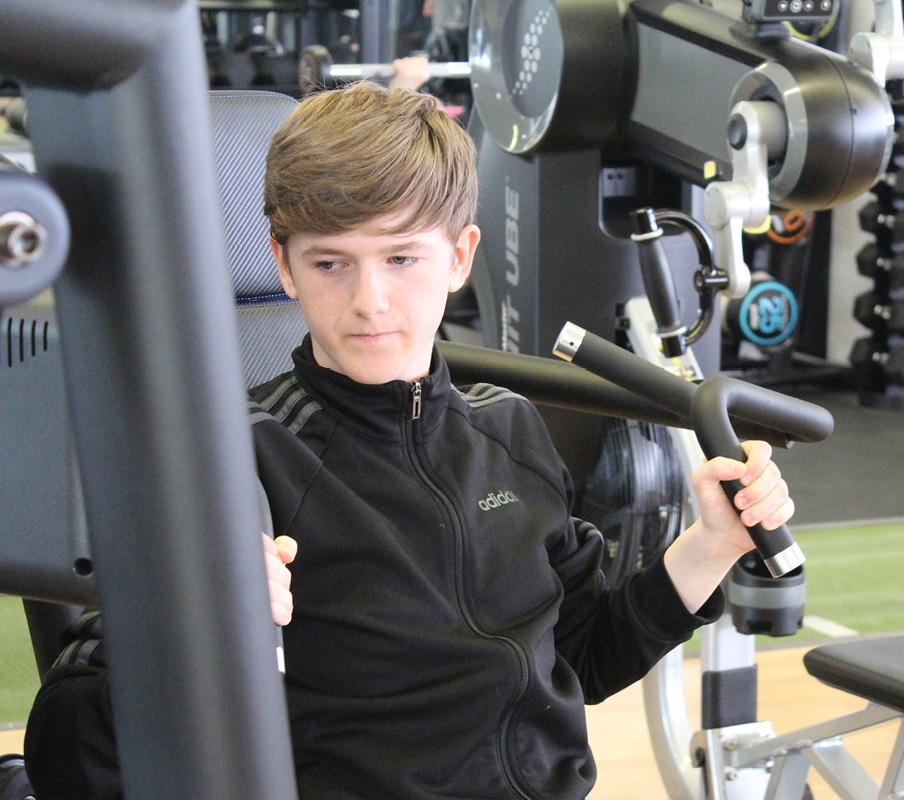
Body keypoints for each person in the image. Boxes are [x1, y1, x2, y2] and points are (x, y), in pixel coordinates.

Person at [25, 81, 795, 800]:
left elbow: (583, 655)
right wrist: (190, 629)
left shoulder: (511, 431)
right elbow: (62, 750)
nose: (370, 302)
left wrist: (713, 545)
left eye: (401, 259)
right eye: (332, 264)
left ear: (459, 258)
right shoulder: (233, 466)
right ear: (283, 265)